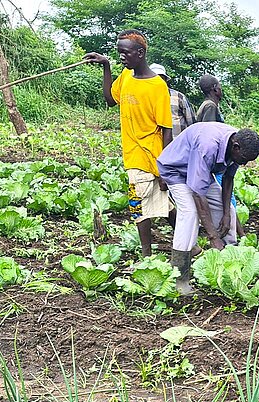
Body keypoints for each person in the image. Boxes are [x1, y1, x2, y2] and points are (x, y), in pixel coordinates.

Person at [84, 30, 171, 258]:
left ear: (140, 53)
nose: (122, 57)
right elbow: (110, 100)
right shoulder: (126, 76)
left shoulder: (157, 86)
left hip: (151, 155)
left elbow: (166, 129)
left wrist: (165, 168)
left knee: (142, 208)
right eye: (119, 53)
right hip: (133, 155)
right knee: (159, 205)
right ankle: (188, 245)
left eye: (126, 53)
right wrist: (105, 66)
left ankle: (148, 256)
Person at [157, 123, 259, 294]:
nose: (244, 164)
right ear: (236, 147)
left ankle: (229, 265)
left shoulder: (237, 145)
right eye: (244, 160)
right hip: (176, 169)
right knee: (189, 213)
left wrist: (226, 215)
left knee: (229, 211)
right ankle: (180, 279)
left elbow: (228, 179)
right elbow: (198, 194)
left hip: (199, 169)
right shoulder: (208, 146)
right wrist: (213, 236)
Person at [151, 64, 195, 140]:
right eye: (155, 79)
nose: (158, 82)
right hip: (155, 146)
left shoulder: (178, 97)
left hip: (179, 145)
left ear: (165, 80)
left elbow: (192, 123)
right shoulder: (146, 99)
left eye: (161, 78)